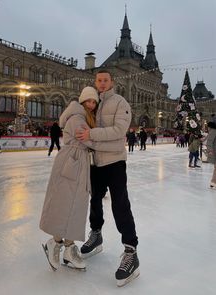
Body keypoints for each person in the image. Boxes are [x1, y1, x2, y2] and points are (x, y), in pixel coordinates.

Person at [40, 86, 124, 271]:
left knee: (74, 207)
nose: (92, 105)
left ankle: (67, 247)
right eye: (89, 101)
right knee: (68, 206)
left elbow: (91, 141)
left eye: (94, 102)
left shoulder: (83, 118)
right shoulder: (77, 119)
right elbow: (92, 142)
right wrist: (117, 144)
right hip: (72, 163)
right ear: (82, 101)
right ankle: (58, 244)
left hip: (78, 164)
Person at [76, 70, 139, 287]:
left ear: (112, 82)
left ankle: (131, 251)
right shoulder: (91, 103)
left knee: (120, 204)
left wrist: (92, 136)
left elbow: (119, 131)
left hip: (115, 163)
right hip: (96, 162)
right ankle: (96, 235)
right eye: (98, 80)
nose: (102, 83)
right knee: (94, 201)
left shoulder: (120, 102)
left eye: (105, 80)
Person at [206, 121, 216, 188]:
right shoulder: (214, 131)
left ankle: (213, 182)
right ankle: (213, 182)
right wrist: (209, 150)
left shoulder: (213, 131)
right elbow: (209, 141)